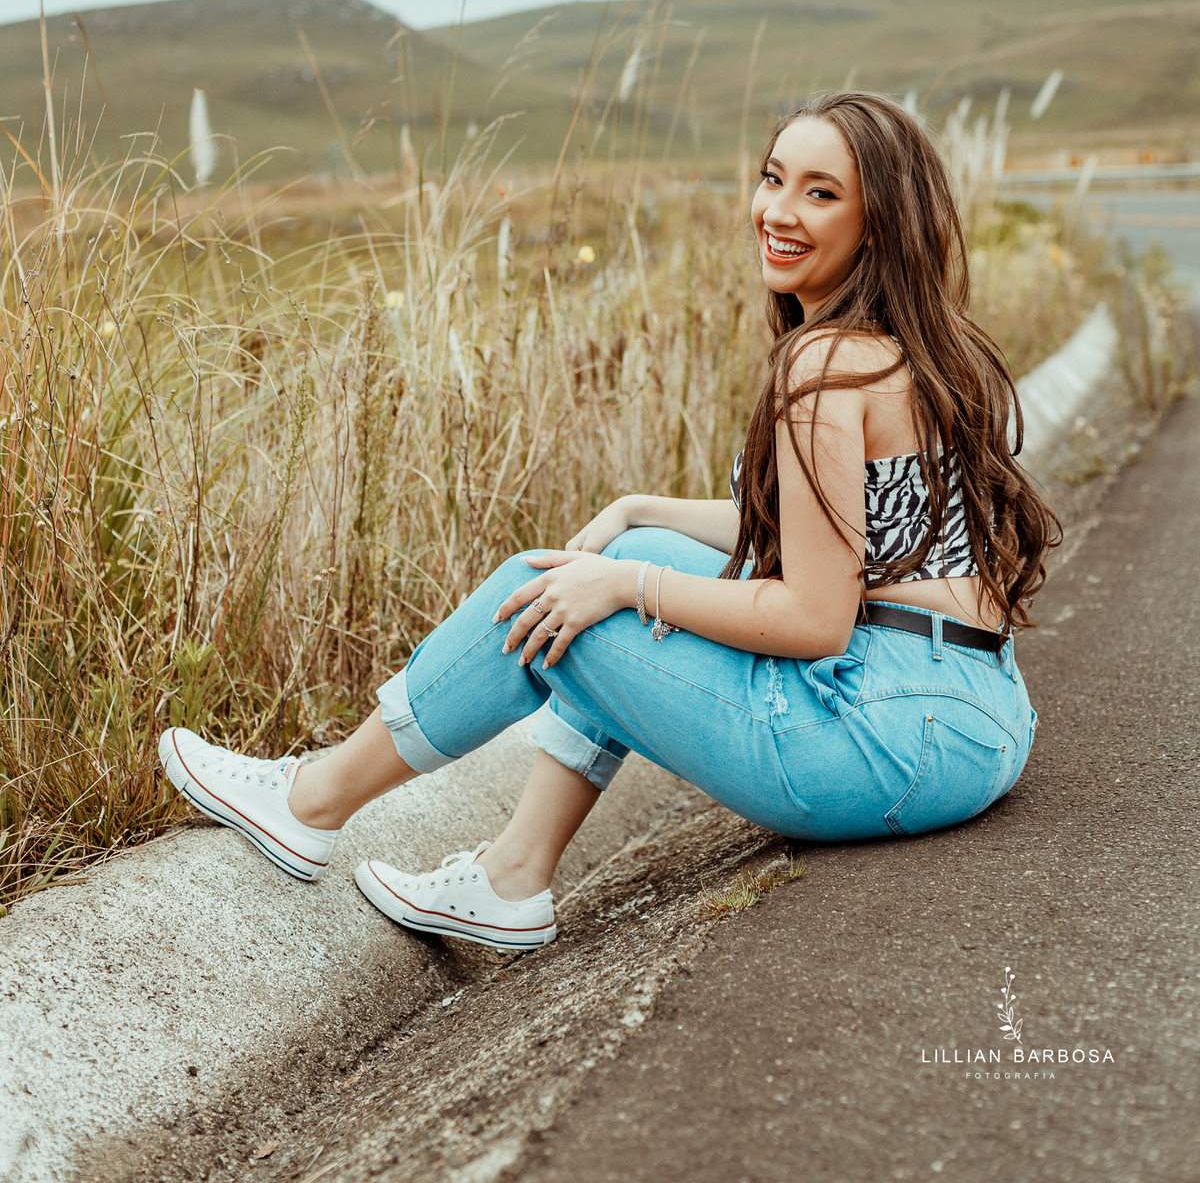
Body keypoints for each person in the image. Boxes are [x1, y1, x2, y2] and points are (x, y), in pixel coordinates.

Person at [160, 92, 1058, 952]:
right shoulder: (911, 348)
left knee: (549, 590)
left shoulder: (821, 367)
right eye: (773, 177)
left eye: (821, 194)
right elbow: (845, 539)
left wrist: (626, 583)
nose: (778, 211)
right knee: (621, 560)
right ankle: (514, 874)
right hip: (973, 720)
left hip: (882, 742)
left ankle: (309, 804)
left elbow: (816, 620)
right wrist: (636, 514)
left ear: (878, 224)